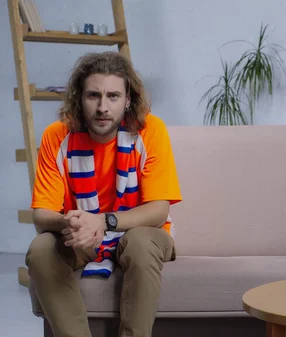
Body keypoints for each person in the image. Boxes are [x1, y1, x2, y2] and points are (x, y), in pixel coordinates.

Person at [25, 51, 182, 337]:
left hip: (141, 232)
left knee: (140, 242)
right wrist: (73, 222)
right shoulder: (56, 136)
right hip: (81, 235)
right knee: (40, 250)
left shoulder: (150, 131)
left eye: (112, 96)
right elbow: (42, 214)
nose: (102, 107)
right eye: (93, 95)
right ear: (79, 98)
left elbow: (158, 210)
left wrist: (102, 222)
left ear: (128, 100)